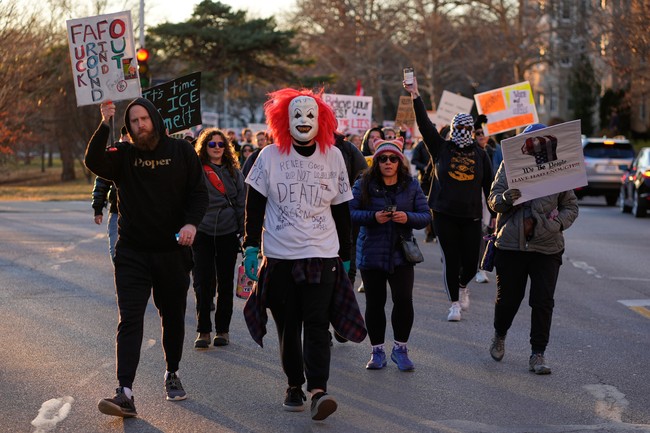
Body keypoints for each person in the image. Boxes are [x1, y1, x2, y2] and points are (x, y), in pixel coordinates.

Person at [241, 88, 366, 421]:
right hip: (280, 257)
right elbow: (254, 206)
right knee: (288, 325)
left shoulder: (334, 156)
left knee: (317, 324)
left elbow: (342, 212)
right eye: (296, 114)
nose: (303, 120)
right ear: (284, 120)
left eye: (310, 114)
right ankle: (294, 385)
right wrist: (250, 246)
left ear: (321, 120)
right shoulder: (268, 156)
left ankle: (319, 390)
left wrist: (346, 256)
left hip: (321, 256)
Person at [84, 98, 208, 417]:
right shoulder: (123, 154)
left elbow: (198, 193)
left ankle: (172, 372)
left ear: (155, 119)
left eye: (144, 119)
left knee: (173, 316)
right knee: (130, 318)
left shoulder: (181, 151)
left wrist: (191, 224)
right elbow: (93, 160)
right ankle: (124, 392)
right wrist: (105, 122)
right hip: (132, 252)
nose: (140, 125)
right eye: (134, 121)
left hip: (172, 252)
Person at [487, 123, 579, 375]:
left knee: (543, 302)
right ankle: (499, 334)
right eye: (529, 143)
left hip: (547, 247)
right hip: (511, 245)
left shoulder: (558, 170)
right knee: (508, 299)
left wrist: (556, 224)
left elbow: (571, 206)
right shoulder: (508, 166)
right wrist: (505, 198)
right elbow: (493, 200)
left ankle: (538, 353)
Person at [404, 75, 493, 322]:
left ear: (471, 132)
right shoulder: (441, 148)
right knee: (451, 260)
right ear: (453, 129)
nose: (462, 133)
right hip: (443, 214)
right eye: (458, 129)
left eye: (467, 130)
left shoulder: (480, 154)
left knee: (472, 262)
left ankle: (463, 286)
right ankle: (454, 303)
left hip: (471, 215)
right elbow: (424, 125)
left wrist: (496, 215)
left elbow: (489, 186)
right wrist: (415, 95)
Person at [350, 138, 430, 371]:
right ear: (376, 162)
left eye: (393, 158)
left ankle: (400, 349)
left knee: (403, 300)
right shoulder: (363, 183)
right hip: (371, 251)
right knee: (375, 303)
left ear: (399, 162)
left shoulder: (411, 185)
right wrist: (373, 217)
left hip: (401, 253)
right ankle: (377, 352)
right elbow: (349, 212)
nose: (388, 162)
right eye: (383, 158)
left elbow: (425, 216)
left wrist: (407, 217)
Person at [192, 128, 245, 349]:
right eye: (211, 144)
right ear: (204, 147)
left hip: (228, 233)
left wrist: (244, 233)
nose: (216, 148)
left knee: (225, 283)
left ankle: (223, 330)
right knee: (203, 283)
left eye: (220, 144)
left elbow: (241, 204)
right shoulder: (196, 171)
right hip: (202, 232)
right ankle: (203, 331)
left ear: (226, 147)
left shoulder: (234, 173)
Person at [91, 126, 130, 261]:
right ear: (122, 137)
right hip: (116, 211)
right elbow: (101, 184)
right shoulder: (114, 155)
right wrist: (98, 209)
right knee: (115, 250)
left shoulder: (140, 155)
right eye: (127, 137)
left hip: (136, 212)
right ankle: (120, 269)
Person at [473, 114, 494, 284]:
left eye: (484, 133)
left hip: (491, 197)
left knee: (485, 232)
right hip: (473, 197)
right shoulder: (471, 152)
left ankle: (481, 268)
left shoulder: (495, 152)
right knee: (476, 232)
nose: (481, 136)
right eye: (478, 133)